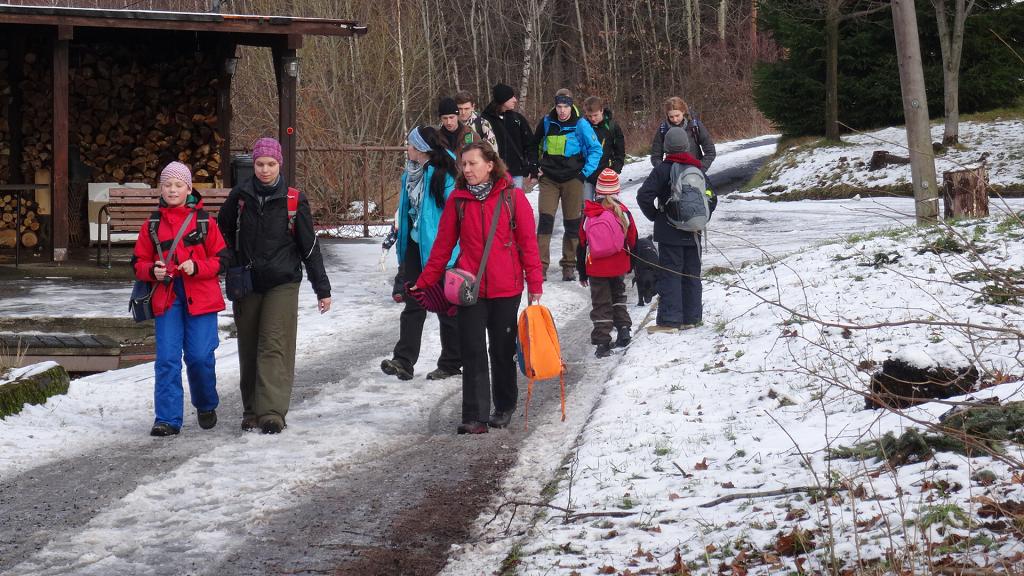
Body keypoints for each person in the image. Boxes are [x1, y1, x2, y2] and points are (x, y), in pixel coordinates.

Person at [411, 142, 544, 435]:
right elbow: (442, 248)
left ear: (490, 165)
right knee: (472, 350)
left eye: (473, 163)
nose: (467, 169)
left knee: (501, 349)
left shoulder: (513, 197)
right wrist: (424, 281)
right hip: (469, 288)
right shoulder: (458, 201)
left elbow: (528, 245)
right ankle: (474, 415)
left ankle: (505, 405)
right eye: (464, 164)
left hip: (506, 287)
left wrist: (535, 282)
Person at [217, 137, 332, 434]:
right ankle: (251, 409)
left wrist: (322, 288)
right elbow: (222, 236)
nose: (265, 170)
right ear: (253, 165)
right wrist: (227, 263)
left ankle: (272, 412)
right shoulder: (239, 198)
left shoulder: (294, 199)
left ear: (280, 164)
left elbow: (309, 247)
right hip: (248, 281)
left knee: (273, 344)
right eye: (259, 164)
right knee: (249, 346)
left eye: (271, 164)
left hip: (282, 281)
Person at [132, 162, 228, 437]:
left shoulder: (205, 222)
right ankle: (167, 418)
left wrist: (197, 267)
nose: (172, 189)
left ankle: (206, 403)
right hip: (166, 297)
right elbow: (138, 262)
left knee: (199, 356)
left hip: (201, 297)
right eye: (167, 184)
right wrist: (153, 270)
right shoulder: (151, 223)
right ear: (160, 188)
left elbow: (221, 260)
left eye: (178, 184)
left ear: (189, 188)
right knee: (167, 359)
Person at [381, 126, 462, 382]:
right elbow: (406, 210)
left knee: (445, 306)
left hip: (441, 250)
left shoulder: (446, 174)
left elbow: (457, 213)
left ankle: (450, 362)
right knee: (413, 300)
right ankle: (404, 361)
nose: (407, 148)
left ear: (420, 149)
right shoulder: (410, 173)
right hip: (416, 246)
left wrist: (452, 252)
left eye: (410, 145)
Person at [636, 128, 716, 334]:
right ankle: (692, 318)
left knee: (671, 274)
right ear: (687, 146)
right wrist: (699, 219)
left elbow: (643, 196)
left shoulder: (663, 169)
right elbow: (711, 198)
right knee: (692, 274)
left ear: (666, 147)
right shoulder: (697, 169)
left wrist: (656, 216)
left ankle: (670, 321)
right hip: (694, 232)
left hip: (669, 231)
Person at [533, 88, 603, 282]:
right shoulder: (547, 121)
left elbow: (596, 149)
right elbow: (535, 144)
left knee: (572, 223)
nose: (562, 111)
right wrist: (535, 167)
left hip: (573, 179)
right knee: (545, 221)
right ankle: (540, 267)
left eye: (565, 106)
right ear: (555, 106)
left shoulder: (581, 124)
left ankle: (569, 265)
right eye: (559, 106)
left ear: (571, 105)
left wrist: (584, 174)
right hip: (549, 179)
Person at [577, 168, 637, 357]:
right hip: (618, 264)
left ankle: (603, 343)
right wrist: (631, 263)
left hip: (596, 267)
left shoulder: (589, 213)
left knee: (601, 303)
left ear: (598, 191)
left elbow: (581, 243)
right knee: (618, 296)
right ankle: (624, 331)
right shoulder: (623, 212)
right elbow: (633, 240)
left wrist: (582, 271)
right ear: (617, 191)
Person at [481, 83, 538, 191]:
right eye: (511, 97)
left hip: (516, 174)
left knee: (514, 204)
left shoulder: (517, 119)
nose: (515, 100)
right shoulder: (484, 120)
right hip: (493, 174)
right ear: (503, 100)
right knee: (495, 206)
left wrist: (533, 167)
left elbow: (530, 144)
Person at [649, 96, 717, 170]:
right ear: (667, 115)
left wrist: (702, 168)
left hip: (695, 172)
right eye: (671, 117)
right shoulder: (663, 129)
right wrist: (664, 170)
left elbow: (710, 151)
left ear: (683, 111)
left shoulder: (694, 126)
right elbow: (656, 156)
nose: (675, 119)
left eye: (677, 115)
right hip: (672, 175)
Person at [581, 96, 626, 202]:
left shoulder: (612, 127)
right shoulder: (582, 127)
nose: (593, 119)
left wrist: (615, 169)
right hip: (586, 174)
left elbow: (620, 151)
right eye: (589, 116)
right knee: (585, 208)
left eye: (595, 115)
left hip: (605, 174)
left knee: (606, 207)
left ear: (602, 110)